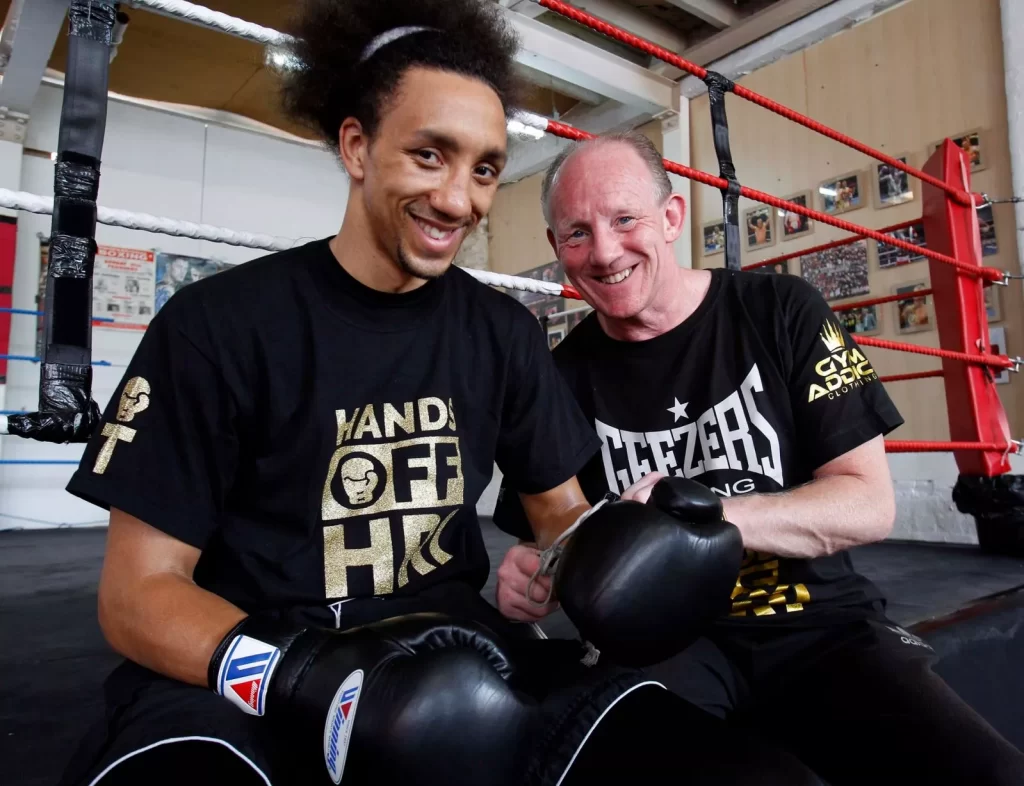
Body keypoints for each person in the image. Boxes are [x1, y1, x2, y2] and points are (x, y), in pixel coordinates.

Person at [57, 3, 815, 785]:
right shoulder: (218, 325)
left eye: (484, 168)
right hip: (249, 668)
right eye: (429, 155)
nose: (459, 199)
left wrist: (625, 551)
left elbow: (560, 518)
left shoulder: (503, 335)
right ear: (357, 146)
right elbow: (138, 592)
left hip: (464, 664)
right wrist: (301, 676)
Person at [493, 131, 1024, 785]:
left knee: (989, 774)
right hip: (660, 649)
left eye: (624, 219)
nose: (603, 252)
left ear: (671, 217)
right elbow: (550, 537)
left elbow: (869, 502)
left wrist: (705, 519)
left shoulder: (780, 311)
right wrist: (535, 575)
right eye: (576, 233)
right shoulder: (557, 378)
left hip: (817, 627)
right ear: (555, 248)